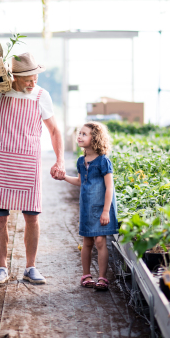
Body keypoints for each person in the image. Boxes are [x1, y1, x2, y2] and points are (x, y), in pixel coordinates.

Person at [0, 52, 66, 285]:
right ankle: (1, 268)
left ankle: (31, 267)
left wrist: (60, 160)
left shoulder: (41, 95)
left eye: (35, 76)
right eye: (28, 78)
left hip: (28, 164)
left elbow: (55, 131)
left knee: (32, 218)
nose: (33, 82)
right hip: (0, 162)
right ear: (14, 76)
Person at [55, 122, 118, 291]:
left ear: (95, 138)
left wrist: (106, 211)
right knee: (87, 242)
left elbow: (109, 187)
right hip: (86, 207)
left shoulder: (104, 161)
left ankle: (103, 277)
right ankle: (86, 275)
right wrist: (64, 177)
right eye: (79, 133)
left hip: (101, 208)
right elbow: (80, 181)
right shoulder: (81, 161)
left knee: (100, 241)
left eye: (84, 134)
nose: (80, 136)